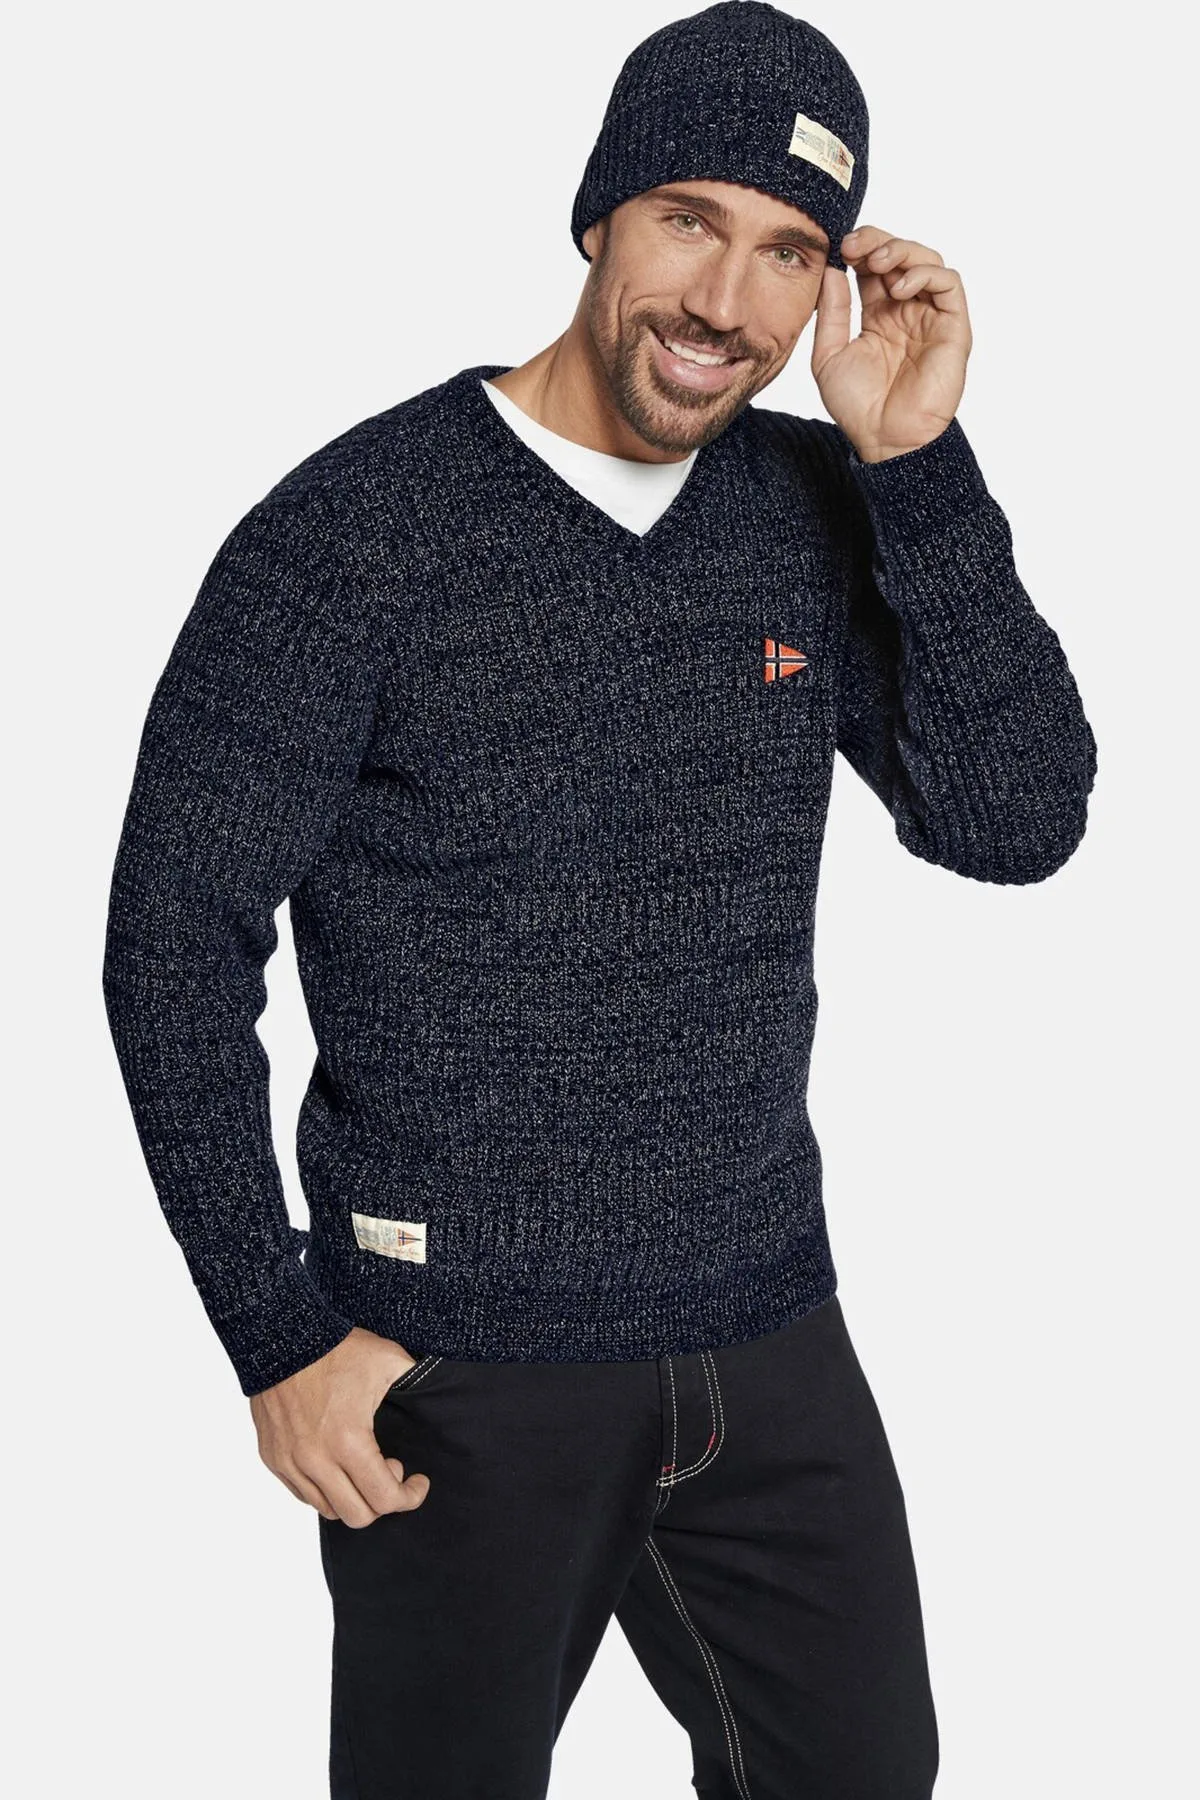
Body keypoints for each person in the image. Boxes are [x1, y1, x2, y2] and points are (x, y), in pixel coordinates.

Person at [100, 4, 1098, 1796]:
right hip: (462, 1365)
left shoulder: (812, 503)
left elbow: (1017, 822)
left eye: (786, 252)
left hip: (765, 1329)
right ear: (599, 217)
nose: (726, 299)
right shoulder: (354, 534)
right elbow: (173, 947)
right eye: (689, 221)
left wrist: (920, 467)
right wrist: (276, 1334)